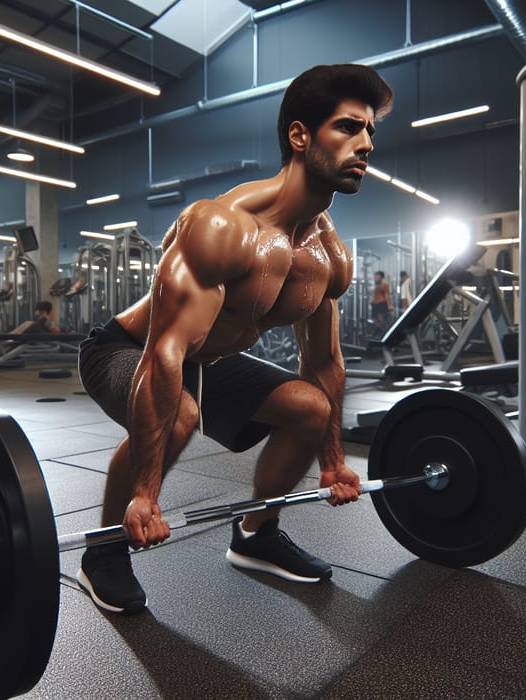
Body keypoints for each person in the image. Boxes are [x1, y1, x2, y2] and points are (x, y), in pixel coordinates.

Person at [77, 63, 393, 615]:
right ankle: (103, 553)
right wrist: (146, 495)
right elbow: (166, 350)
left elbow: (322, 360)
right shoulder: (224, 228)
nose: (366, 144)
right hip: (127, 348)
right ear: (300, 136)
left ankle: (256, 533)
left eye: (371, 131)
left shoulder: (328, 257)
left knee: (310, 408)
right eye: (348, 127)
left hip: (210, 358)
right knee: (179, 413)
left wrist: (333, 461)